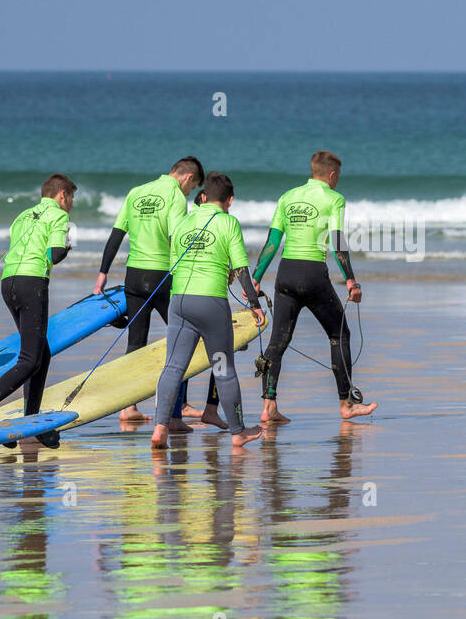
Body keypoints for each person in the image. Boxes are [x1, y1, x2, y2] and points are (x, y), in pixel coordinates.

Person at [252, 150, 376, 423]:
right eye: (337, 177)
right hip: (313, 275)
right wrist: (351, 279)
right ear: (332, 175)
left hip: (286, 274)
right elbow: (337, 243)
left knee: (277, 342)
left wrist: (256, 276)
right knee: (339, 334)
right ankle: (346, 404)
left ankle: (268, 407)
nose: (337, 182)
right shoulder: (334, 199)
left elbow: (272, 242)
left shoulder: (287, 197)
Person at [93, 156, 217, 427]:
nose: (189, 193)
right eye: (191, 187)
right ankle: (176, 412)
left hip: (134, 276)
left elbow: (115, 236)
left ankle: (129, 407)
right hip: (163, 277)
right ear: (188, 179)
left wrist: (102, 274)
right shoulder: (174, 196)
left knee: (136, 342)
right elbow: (177, 240)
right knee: (185, 340)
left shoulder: (136, 192)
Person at [150, 172, 265, 449]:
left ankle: (159, 429)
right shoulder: (228, 223)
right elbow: (240, 269)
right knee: (223, 369)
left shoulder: (182, 222)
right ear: (230, 200)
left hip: (179, 302)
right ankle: (238, 432)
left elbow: (173, 266)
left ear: (202, 197)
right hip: (211, 304)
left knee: (174, 367)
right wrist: (254, 304)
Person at [0, 174, 75, 448]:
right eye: (71, 197)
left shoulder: (22, 215)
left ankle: (30, 421)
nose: (71, 203)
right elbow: (54, 254)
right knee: (29, 359)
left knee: (41, 353)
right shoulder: (59, 216)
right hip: (32, 283)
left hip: (8, 282)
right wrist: (67, 248)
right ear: (62, 195)